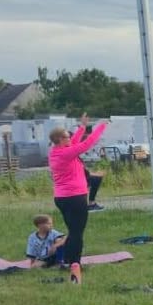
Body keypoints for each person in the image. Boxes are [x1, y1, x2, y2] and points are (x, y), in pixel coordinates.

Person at [48, 116, 110, 285]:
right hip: (75, 198)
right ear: (60, 140)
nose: (70, 137)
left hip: (61, 198)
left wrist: (82, 127)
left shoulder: (56, 151)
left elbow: (75, 142)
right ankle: (75, 264)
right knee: (77, 233)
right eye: (67, 136)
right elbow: (86, 144)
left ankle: (66, 260)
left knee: (72, 230)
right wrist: (101, 127)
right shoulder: (66, 153)